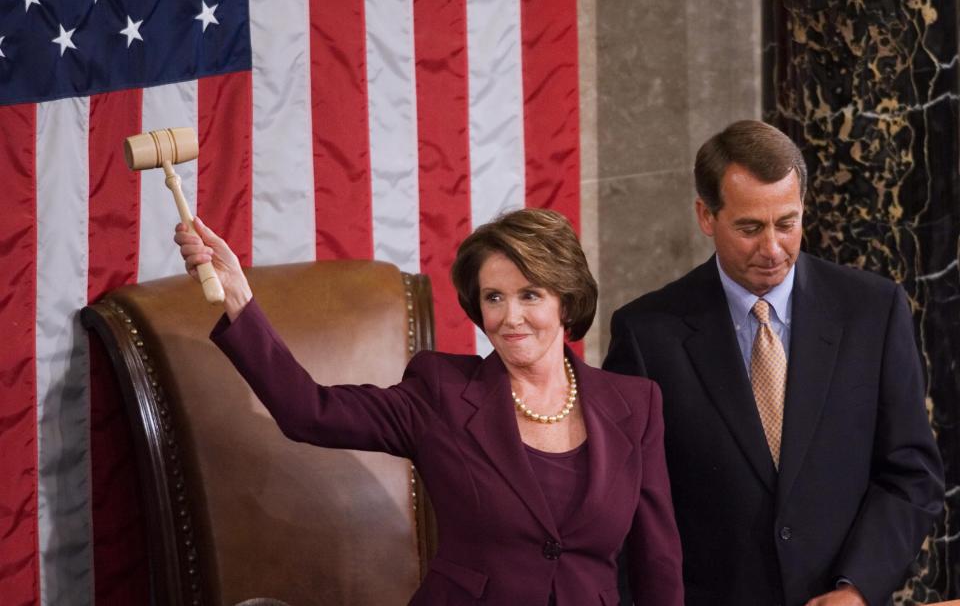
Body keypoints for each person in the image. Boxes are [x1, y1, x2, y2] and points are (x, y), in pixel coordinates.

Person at [175, 208, 683, 606]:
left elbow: (657, 561)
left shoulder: (635, 405)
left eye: (530, 295)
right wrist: (239, 297)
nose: (511, 318)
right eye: (494, 298)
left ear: (566, 303)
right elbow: (310, 411)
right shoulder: (440, 392)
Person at [603, 120, 944, 606]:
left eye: (787, 223)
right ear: (706, 216)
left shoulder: (873, 310)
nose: (772, 249)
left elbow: (911, 474)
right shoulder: (647, 334)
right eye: (749, 228)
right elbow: (625, 507)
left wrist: (857, 588)